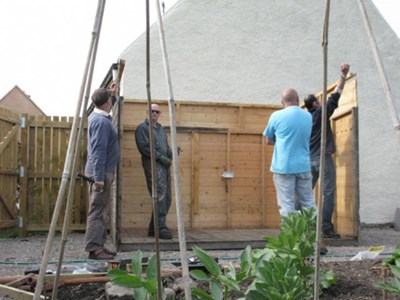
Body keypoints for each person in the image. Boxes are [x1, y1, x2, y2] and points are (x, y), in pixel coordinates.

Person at [304, 64, 350, 239]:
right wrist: (343, 76)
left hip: (308, 160)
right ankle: (326, 228)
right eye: (318, 100)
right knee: (328, 192)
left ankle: (302, 227)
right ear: (316, 103)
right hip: (323, 158)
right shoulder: (321, 112)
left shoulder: (304, 118)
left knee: (305, 193)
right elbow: (335, 95)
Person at [263, 88, 317, 217]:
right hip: (303, 166)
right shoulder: (308, 116)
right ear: (298, 100)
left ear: (282, 101)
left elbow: (268, 140)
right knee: (308, 202)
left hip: (284, 166)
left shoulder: (276, 116)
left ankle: (291, 235)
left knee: (286, 203)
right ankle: (313, 234)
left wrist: (280, 140)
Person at [84, 85, 119, 260]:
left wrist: (112, 94)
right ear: (106, 102)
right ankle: (94, 249)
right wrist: (98, 178)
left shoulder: (97, 115)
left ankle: (99, 245)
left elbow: (108, 104)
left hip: (103, 171)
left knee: (102, 210)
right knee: (98, 210)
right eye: (111, 99)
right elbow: (98, 150)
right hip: (101, 172)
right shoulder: (101, 122)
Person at [135, 103, 173, 239]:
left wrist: (170, 153)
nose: (155, 114)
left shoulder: (161, 130)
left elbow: (166, 146)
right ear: (147, 112)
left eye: (157, 112)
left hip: (165, 165)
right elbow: (144, 147)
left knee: (167, 197)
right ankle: (160, 227)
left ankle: (153, 228)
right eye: (152, 111)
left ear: (160, 114)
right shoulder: (142, 128)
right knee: (160, 195)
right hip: (153, 165)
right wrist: (160, 157)